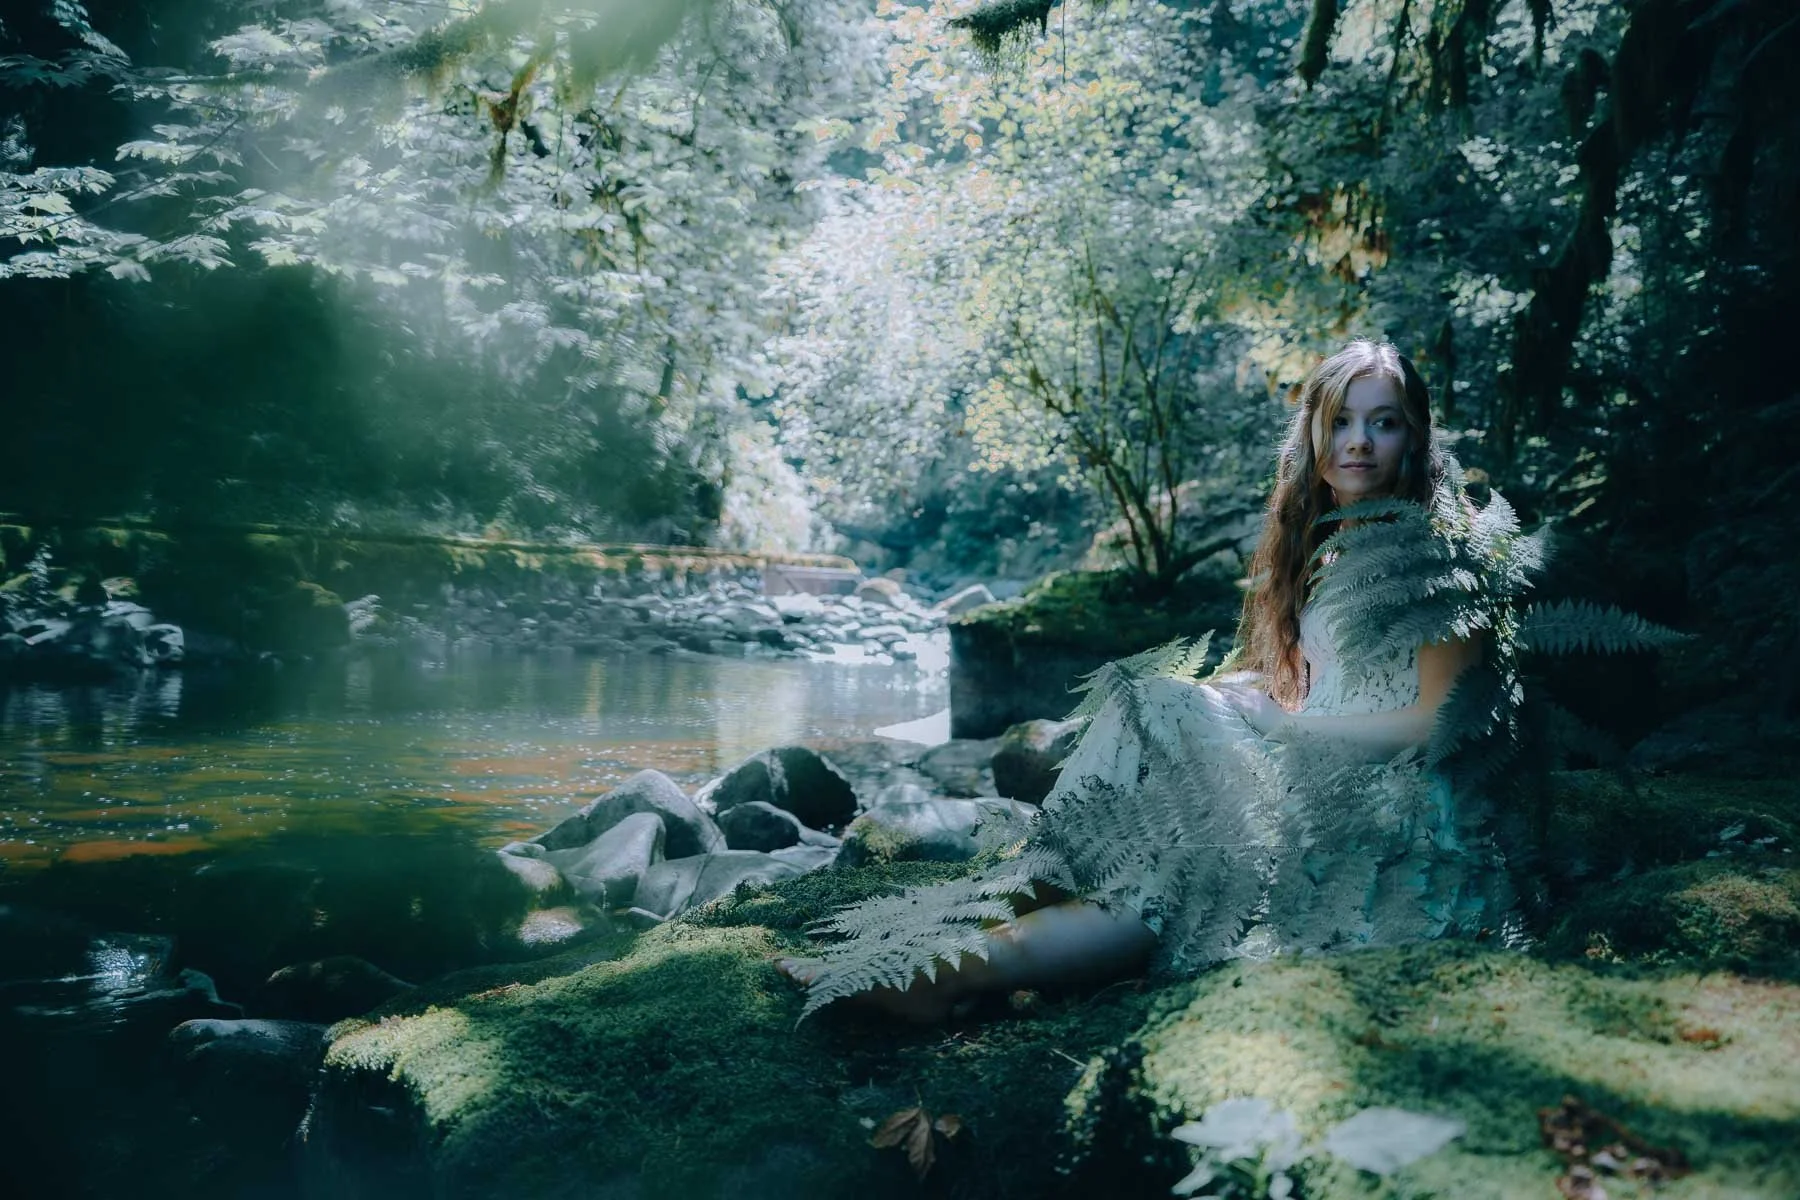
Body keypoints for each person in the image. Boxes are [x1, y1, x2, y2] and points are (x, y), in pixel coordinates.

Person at [782, 339, 1494, 1021]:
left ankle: (954, 961)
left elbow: (1442, 722)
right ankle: (947, 948)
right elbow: (1342, 685)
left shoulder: (1433, 558)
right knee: (1153, 789)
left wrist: (1283, 725)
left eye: (1383, 423)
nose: (1358, 441)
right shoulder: (1332, 550)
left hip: (1385, 807)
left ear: (1416, 438)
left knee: (1168, 810)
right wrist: (1254, 697)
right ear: (1311, 433)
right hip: (1312, 770)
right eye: (1339, 420)